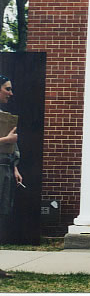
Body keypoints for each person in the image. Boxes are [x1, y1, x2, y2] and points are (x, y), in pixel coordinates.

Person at [0, 75, 22, 278]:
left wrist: (14, 168)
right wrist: (6, 139)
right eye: (7, 88)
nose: (11, 93)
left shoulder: (4, 116)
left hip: (5, 169)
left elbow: (10, 148)